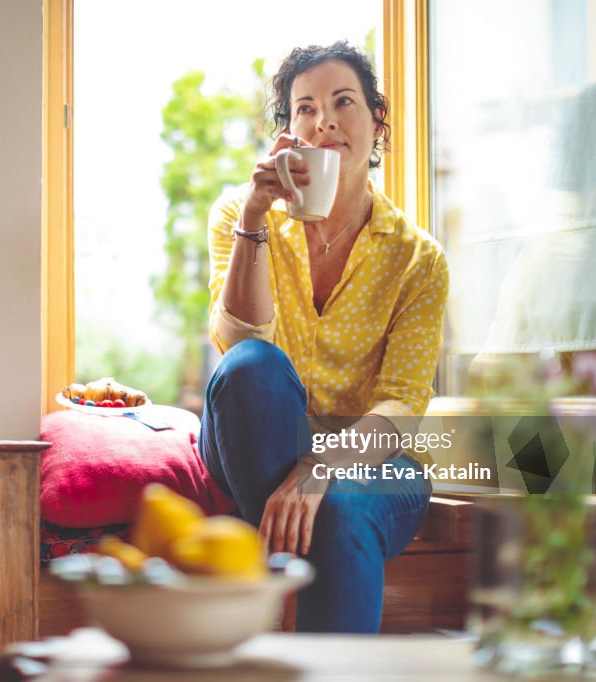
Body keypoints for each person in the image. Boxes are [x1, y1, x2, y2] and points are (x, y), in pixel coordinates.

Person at [199, 41, 449, 633]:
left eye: (343, 102)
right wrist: (256, 218)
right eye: (305, 109)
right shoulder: (239, 212)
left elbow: (401, 406)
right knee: (254, 363)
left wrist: (317, 471)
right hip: (252, 432)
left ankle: (287, 584)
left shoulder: (418, 260)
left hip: (369, 461)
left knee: (341, 509)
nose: (325, 120)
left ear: (376, 121)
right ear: (291, 133)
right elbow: (238, 340)